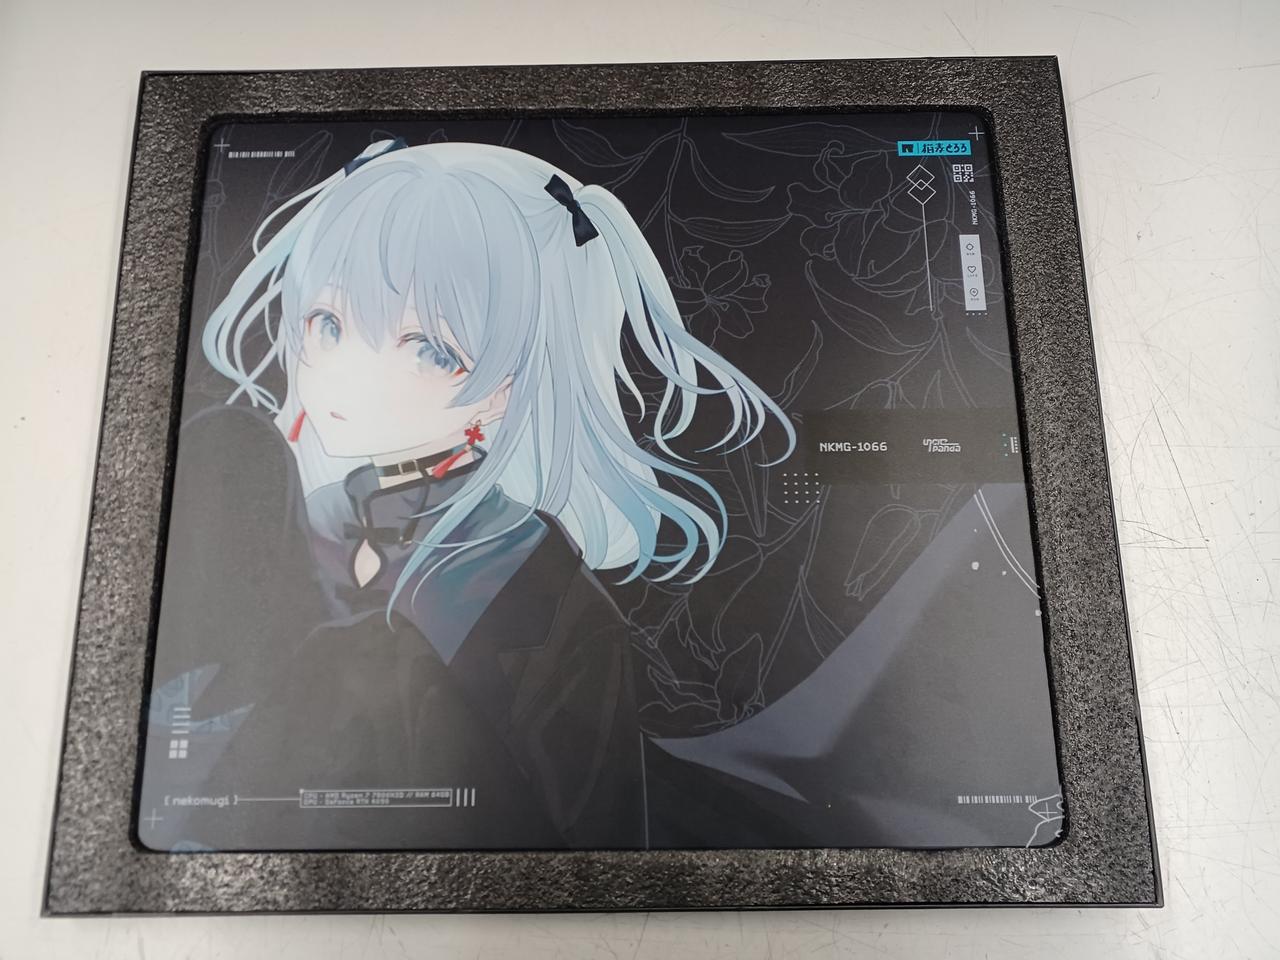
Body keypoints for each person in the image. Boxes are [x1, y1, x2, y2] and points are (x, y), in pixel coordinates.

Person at [140, 137, 793, 851]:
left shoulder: (536, 585)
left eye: (427, 349)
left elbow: (590, 843)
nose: (351, 373)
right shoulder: (300, 521)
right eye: (330, 324)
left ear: (504, 386)